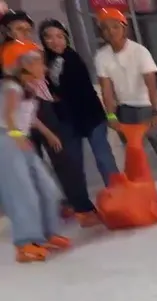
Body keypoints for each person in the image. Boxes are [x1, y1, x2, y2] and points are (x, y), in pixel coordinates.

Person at [94, 9, 157, 207]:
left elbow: (151, 85)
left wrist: (156, 111)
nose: (110, 31)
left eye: (115, 27)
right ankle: (140, 196)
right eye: (105, 28)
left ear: (124, 28)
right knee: (134, 155)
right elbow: (106, 89)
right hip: (125, 111)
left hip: (146, 108)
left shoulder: (140, 52)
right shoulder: (102, 56)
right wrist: (111, 115)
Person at [1, 40, 72, 263]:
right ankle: (26, 243)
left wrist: (48, 134)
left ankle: (47, 234)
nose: (44, 66)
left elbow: (28, 118)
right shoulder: (11, 87)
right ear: (23, 65)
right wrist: (16, 136)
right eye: (39, 61)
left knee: (47, 188)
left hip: (19, 139)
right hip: (7, 140)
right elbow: (8, 115)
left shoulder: (29, 88)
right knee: (22, 191)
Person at [40, 19, 118, 187]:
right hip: (67, 119)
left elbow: (75, 89)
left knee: (103, 157)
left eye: (60, 36)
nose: (55, 41)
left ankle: (118, 191)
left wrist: (57, 95)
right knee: (73, 163)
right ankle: (81, 201)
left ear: (66, 38)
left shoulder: (72, 58)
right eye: (49, 37)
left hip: (90, 115)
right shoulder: (44, 62)